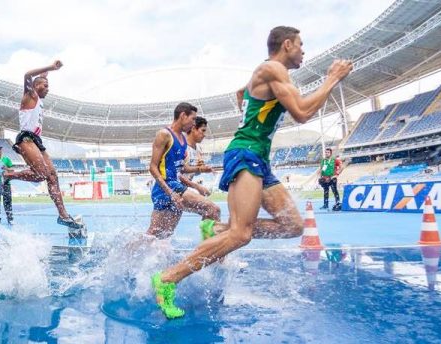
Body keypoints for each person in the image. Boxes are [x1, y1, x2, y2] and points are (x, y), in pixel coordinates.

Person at [151, 26, 353, 319]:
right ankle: (168, 278)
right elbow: (301, 112)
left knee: (292, 225)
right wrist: (332, 78)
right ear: (286, 45)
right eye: (300, 45)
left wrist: (248, 103)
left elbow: (241, 93)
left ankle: (218, 230)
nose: (303, 51)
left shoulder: (269, 75)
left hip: (258, 157)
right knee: (242, 234)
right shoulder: (272, 68)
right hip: (246, 154)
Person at [4, 61, 85, 233]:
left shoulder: (38, 99)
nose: (48, 88)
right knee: (41, 175)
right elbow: (27, 75)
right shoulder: (30, 96)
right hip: (26, 138)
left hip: (37, 141)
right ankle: (8, 175)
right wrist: (50, 68)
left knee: (53, 176)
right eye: (45, 85)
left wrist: (45, 76)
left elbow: (38, 79)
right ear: (35, 86)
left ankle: (63, 215)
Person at [146, 106, 224, 240]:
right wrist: (171, 192)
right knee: (213, 210)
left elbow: (181, 168)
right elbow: (153, 167)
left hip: (173, 187)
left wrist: (200, 169)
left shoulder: (182, 140)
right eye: (193, 119)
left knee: (158, 235)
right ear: (183, 116)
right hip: (167, 186)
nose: (194, 123)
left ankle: (125, 252)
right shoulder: (164, 134)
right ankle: (210, 254)